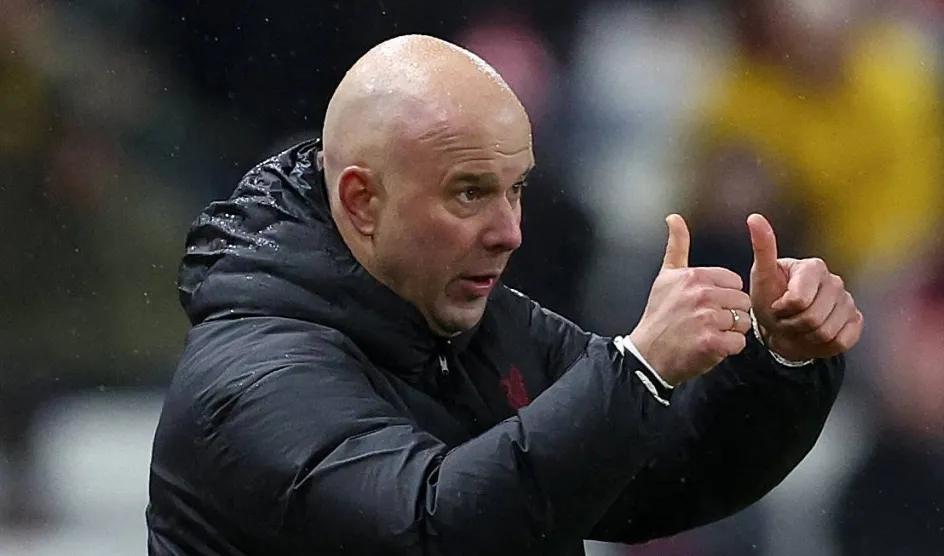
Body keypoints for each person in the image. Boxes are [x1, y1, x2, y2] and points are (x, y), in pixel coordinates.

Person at [145, 35, 863, 556]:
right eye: (470, 193)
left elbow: (669, 471)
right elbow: (433, 531)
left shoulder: (472, 324)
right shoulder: (251, 380)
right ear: (361, 201)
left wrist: (780, 360)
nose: (511, 231)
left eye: (516, 189)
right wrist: (636, 372)